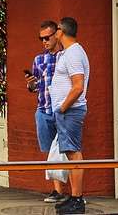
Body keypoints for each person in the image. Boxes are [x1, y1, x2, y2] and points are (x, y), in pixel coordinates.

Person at [48, 17, 90, 215]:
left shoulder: (73, 53)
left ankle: (77, 200)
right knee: (70, 153)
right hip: (67, 111)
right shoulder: (69, 52)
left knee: (74, 153)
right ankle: (74, 197)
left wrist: (63, 107)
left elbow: (78, 86)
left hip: (71, 111)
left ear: (61, 31)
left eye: (55, 29)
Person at [28, 21, 60, 194]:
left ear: (57, 34)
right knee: (49, 153)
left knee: (68, 150)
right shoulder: (39, 59)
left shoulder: (65, 56)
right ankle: (58, 191)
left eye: (47, 37)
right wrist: (31, 84)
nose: (44, 42)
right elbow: (35, 87)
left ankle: (75, 194)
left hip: (62, 111)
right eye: (41, 39)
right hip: (43, 109)